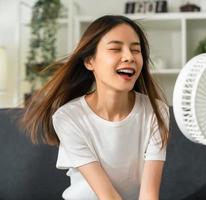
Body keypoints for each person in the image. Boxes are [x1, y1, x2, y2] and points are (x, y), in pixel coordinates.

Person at [21, 15, 169, 200]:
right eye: (115, 48)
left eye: (136, 50)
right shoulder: (68, 117)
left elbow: (149, 194)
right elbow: (108, 196)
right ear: (90, 61)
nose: (129, 57)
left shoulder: (157, 112)